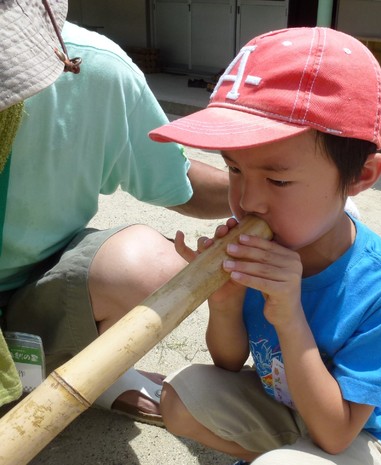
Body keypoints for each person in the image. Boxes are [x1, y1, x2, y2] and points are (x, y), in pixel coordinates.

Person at [150, 27, 381, 464]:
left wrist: (288, 311)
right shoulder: (269, 246)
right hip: (286, 410)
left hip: (359, 437)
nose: (247, 201)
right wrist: (224, 303)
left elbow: (336, 434)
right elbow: (227, 364)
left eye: (277, 179)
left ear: (361, 176)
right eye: (234, 169)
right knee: (181, 397)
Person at [0, 0, 230, 422]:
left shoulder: (94, 66)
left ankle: (90, 369)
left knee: (150, 262)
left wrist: (269, 189)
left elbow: (176, 180)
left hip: (31, 296)